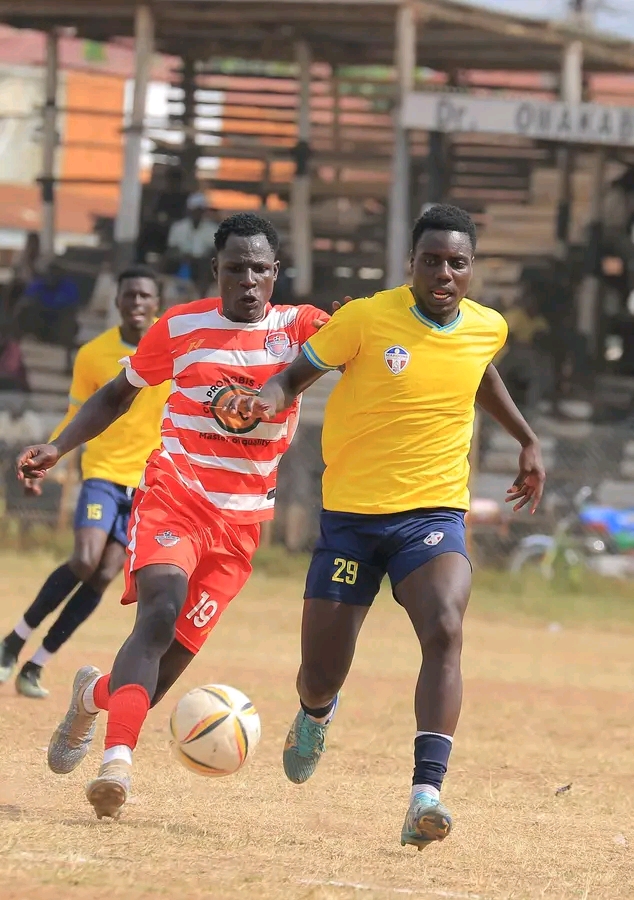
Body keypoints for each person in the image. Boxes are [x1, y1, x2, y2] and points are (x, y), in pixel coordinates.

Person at [229, 204, 546, 851]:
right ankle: (317, 713)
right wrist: (269, 400)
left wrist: (527, 440)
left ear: (471, 269)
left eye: (457, 262)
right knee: (319, 673)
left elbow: (477, 372)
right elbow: (298, 373)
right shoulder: (365, 320)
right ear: (411, 263)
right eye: (432, 260)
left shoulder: (488, 327)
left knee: (446, 626)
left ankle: (426, 792)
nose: (444, 273)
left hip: (430, 513)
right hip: (350, 519)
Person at [16, 213, 329, 820]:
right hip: (174, 497)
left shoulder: (300, 328)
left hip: (239, 528)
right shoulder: (180, 325)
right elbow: (116, 393)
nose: (247, 281)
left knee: (169, 661)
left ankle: (93, 694)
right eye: (234, 268)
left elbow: (362, 337)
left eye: (259, 269)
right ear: (216, 270)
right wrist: (58, 447)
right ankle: (116, 766)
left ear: (275, 274)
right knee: (157, 614)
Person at [1, 266, 168, 698]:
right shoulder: (94, 354)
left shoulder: (173, 349)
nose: (136, 303)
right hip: (103, 472)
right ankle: (13, 642)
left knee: (105, 574)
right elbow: (79, 414)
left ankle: (36, 666)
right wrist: (50, 459)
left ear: (156, 304)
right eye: (128, 295)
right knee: (84, 559)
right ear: (116, 301)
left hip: (148, 484)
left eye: (144, 296)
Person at [16, 262, 81, 371]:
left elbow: (71, 306)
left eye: (55, 275)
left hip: (58, 325)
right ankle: (11, 357)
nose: (52, 277)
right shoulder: (38, 284)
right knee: (22, 310)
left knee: (68, 320)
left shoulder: (68, 287)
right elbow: (26, 299)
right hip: (38, 322)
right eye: (50, 274)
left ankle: (68, 364)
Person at [166, 192, 218, 296]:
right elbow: (172, 248)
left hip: (202, 264)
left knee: (207, 266)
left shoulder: (213, 229)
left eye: (200, 210)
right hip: (181, 262)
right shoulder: (178, 227)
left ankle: (201, 295)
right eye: (195, 210)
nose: (197, 213)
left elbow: (214, 251)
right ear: (189, 210)